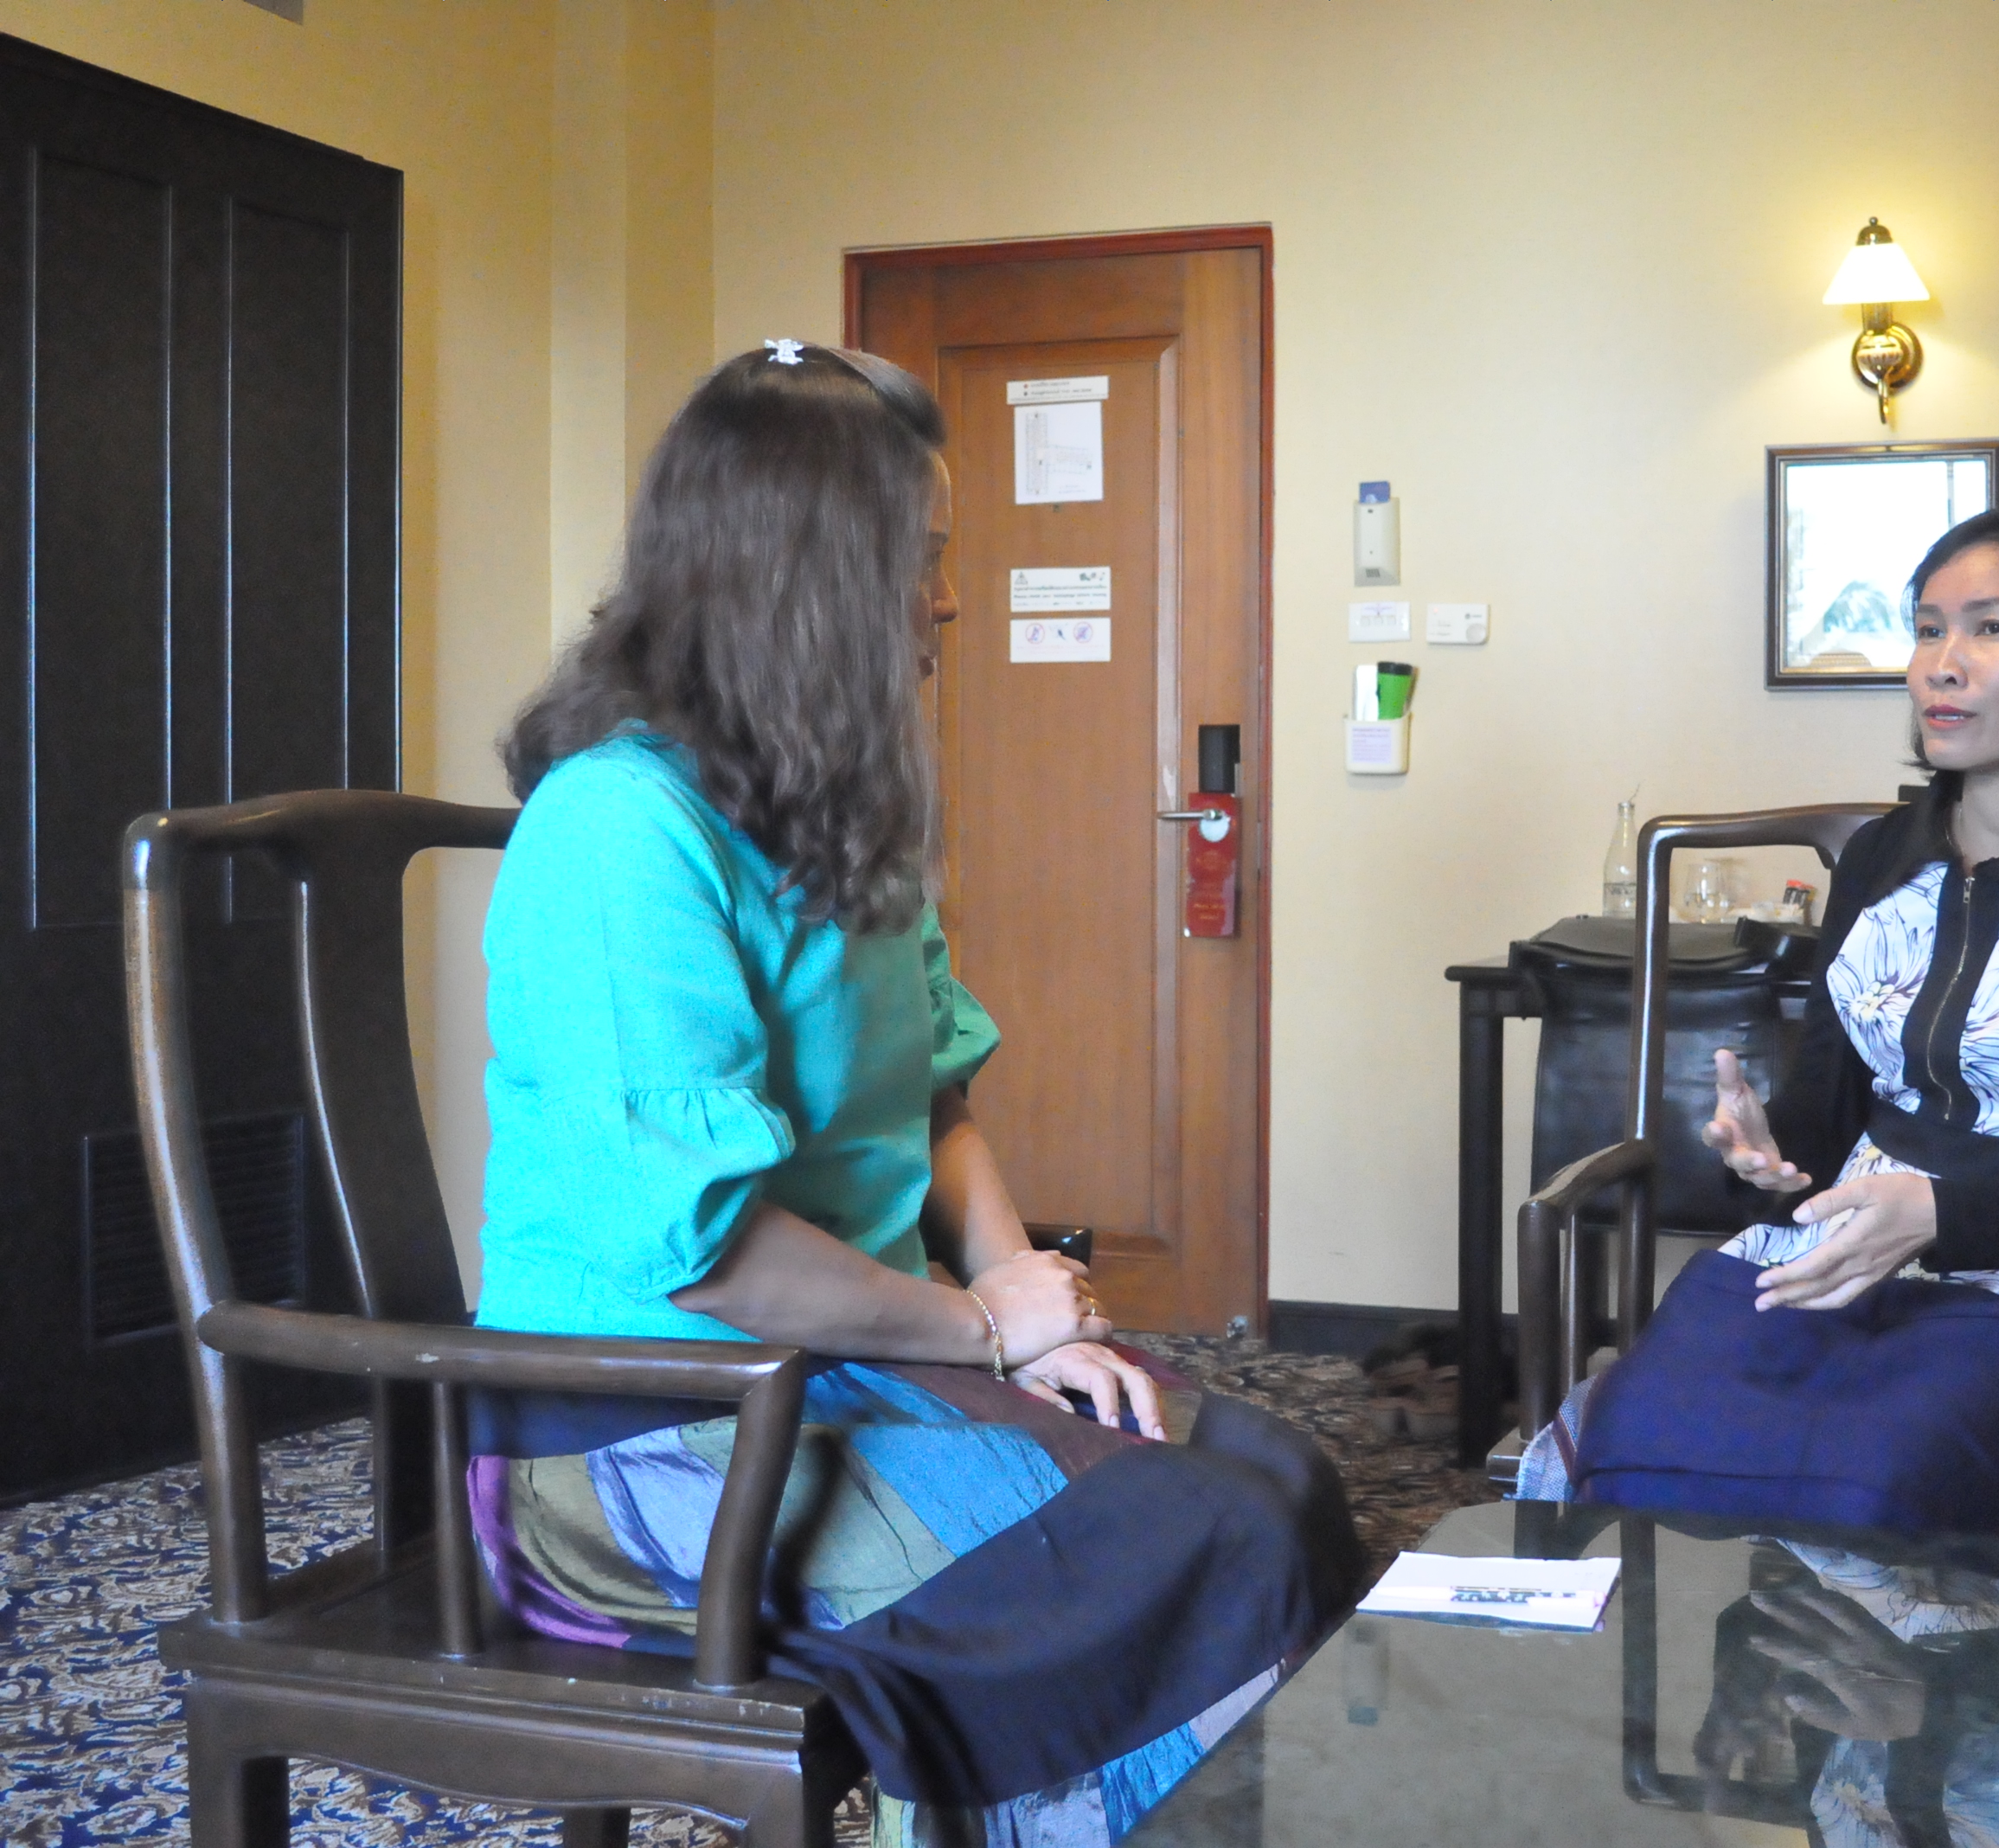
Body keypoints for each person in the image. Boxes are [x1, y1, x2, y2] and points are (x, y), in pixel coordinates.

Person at [465, 343, 1359, 1847]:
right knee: (1187, 1543)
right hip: (644, 1429)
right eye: (924, 558)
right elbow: (709, 1257)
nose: (947, 600)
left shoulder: (836, 810)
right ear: (811, 577)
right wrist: (982, 1331)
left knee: (1282, 1479)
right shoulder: (616, 831)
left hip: (853, 1367)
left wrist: (1032, 1302)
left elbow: (936, 1103)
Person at [1516, 505, 1999, 1544]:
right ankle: (1717, 1654)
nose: (1943, 664)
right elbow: (1826, 1111)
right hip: (1834, 1251)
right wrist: (1770, 1157)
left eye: (1991, 628)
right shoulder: (1879, 861)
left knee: (1880, 1486)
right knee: (1643, 1436)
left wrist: (1943, 1216)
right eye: (1928, 629)